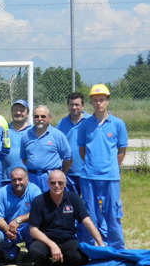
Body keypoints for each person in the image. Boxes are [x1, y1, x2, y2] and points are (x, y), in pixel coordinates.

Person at [77, 84, 128, 249]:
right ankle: (89, 248)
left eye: (102, 100)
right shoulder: (85, 124)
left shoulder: (118, 124)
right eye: (95, 100)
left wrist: (112, 166)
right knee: (89, 214)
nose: (99, 103)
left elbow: (121, 151)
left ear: (107, 100)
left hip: (110, 177)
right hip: (88, 176)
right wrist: (91, 165)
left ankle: (116, 248)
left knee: (112, 213)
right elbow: (82, 150)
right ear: (91, 102)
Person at [29, 170, 104, 266]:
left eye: (60, 183)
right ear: (48, 183)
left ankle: (59, 265)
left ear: (65, 183)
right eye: (53, 183)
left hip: (66, 240)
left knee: (81, 259)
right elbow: (33, 230)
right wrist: (52, 245)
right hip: (45, 240)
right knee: (35, 252)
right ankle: (44, 265)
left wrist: (101, 244)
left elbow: (87, 222)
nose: (57, 186)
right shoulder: (38, 201)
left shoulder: (73, 198)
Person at [20, 105, 72, 193]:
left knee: (51, 201)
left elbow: (68, 159)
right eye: (36, 116)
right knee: (34, 200)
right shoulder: (26, 135)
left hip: (51, 178)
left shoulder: (57, 135)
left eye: (43, 116)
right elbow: (24, 158)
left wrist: (60, 173)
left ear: (49, 118)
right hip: (32, 177)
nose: (39, 119)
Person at [0, 167, 41, 264]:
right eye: (14, 180)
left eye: (20, 179)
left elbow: (39, 212)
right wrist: (6, 230)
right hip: (8, 227)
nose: (17, 183)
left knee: (39, 227)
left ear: (27, 179)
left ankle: (32, 252)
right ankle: (11, 252)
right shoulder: (2, 192)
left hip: (27, 227)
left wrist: (19, 220)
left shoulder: (35, 191)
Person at [56, 92, 88, 194]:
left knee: (88, 202)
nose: (74, 107)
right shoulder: (62, 123)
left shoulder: (90, 121)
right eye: (71, 104)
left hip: (87, 171)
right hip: (68, 172)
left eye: (77, 105)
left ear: (83, 105)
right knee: (70, 202)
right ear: (68, 105)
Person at [1, 100, 32, 186]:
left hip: (27, 179)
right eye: (15, 110)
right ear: (11, 112)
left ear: (27, 113)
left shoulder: (33, 131)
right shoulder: (4, 129)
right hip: (6, 178)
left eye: (22, 110)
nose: (18, 113)